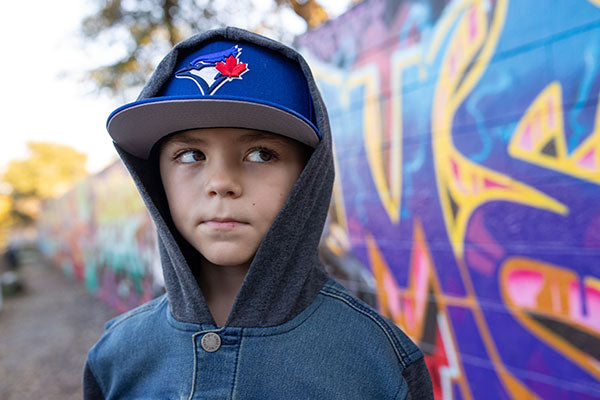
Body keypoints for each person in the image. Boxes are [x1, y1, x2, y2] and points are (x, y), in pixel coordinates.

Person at [83, 27, 433, 399]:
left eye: (262, 154)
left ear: (308, 177)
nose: (221, 182)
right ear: (156, 179)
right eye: (190, 155)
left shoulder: (378, 364)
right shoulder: (115, 357)